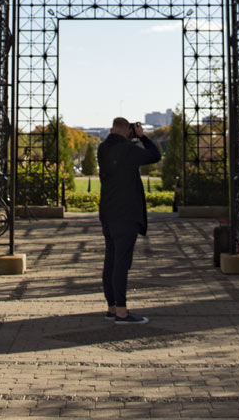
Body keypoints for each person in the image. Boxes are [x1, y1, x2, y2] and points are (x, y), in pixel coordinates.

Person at [98, 117, 161, 324]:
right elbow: (154, 155)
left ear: (111, 129)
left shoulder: (102, 149)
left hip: (108, 212)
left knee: (110, 259)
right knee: (121, 263)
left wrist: (128, 137)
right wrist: (142, 137)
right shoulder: (128, 149)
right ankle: (122, 312)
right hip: (127, 213)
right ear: (127, 131)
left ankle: (111, 307)